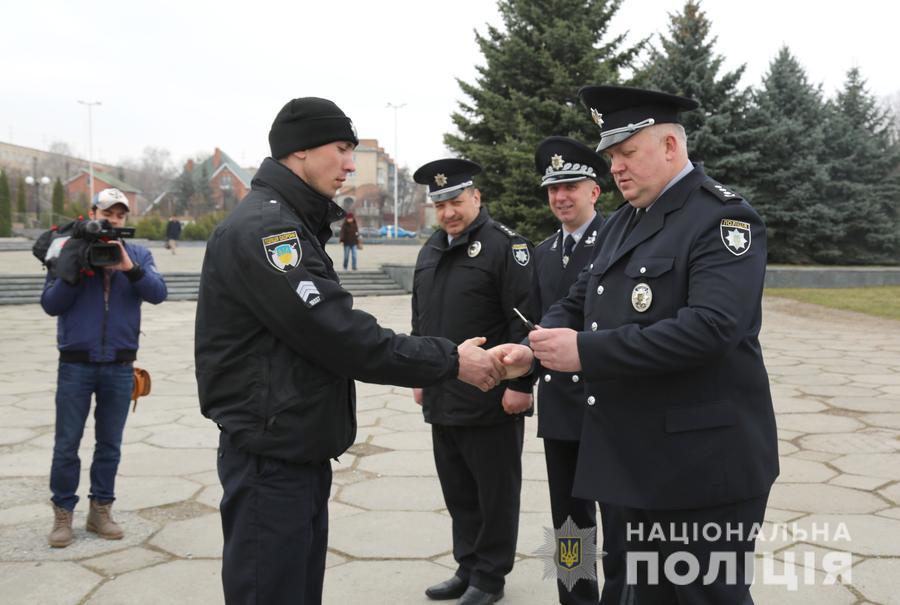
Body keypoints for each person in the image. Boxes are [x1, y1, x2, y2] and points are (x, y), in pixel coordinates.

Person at [194, 97, 507, 605]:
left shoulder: (290, 222)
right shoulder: (268, 231)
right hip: (271, 457)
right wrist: (450, 361)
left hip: (294, 447)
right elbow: (339, 334)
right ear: (300, 152)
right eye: (341, 150)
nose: (347, 164)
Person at [495, 85, 779, 605]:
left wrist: (586, 352)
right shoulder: (626, 221)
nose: (616, 168)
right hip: (632, 458)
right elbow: (580, 299)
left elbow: (713, 327)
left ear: (671, 147)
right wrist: (532, 350)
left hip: (700, 468)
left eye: (628, 152)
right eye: (611, 157)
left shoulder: (722, 218)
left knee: (701, 596)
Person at [410, 158, 537, 605]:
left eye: (456, 200)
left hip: (491, 399)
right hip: (443, 396)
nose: (448, 211)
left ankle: (490, 577)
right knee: (459, 492)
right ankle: (467, 566)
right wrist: (418, 372)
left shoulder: (506, 247)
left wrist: (523, 386)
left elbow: (526, 323)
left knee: (495, 494)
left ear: (476, 198)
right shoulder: (431, 250)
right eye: (440, 203)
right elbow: (420, 319)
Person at [41, 187, 167, 548]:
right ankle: (63, 515)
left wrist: (129, 268)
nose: (112, 220)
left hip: (119, 365)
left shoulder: (138, 253)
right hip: (75, 365)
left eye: (120, 214)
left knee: (109, 445)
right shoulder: (67, 250)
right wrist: (74, 271)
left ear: (125, 219)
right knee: (66, 445)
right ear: (92, 211)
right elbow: (51, 304)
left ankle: (101, 510)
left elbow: (158, 293)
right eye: (107, 212)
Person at [532, 136, 623, 604]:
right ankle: (576, 596)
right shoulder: (544, 251)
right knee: (568, 516)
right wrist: (523, 383)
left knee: (619, 513)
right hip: (559, 406)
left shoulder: (619, 240)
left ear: (595, 191)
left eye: (571, 185)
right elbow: (533, 321)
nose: (561, 197)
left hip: (606, 400)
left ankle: (621, 595)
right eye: (553, 189)